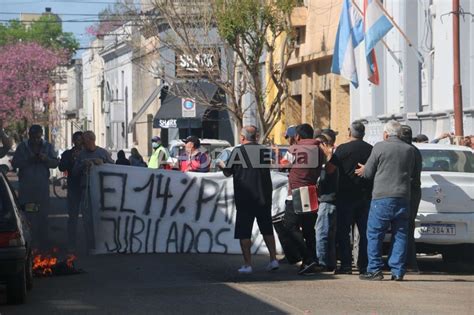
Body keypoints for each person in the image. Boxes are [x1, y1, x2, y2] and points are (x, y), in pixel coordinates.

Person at [356, 120, 416, 281]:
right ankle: (397, 271)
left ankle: (375, 269)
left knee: (375, 233)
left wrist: (364, 169)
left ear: (386, 134)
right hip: (403, 196)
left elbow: (368, 173)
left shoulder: (380, 147)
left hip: (382, 197)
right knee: (401, 234)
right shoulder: (409, 150)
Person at [220, 125, 278, 274]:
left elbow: (228, 172)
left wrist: (221, 165)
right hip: (263, 196)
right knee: (267, 228)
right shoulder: (264, 151)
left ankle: (248, 264)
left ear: (243, 137)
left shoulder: (237, 152)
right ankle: (273, 259)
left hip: (245, 197)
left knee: (244, 231)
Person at [326, 120, 372, 274]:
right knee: (365, 232)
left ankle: (346, 265)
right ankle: (363, 265)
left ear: (349, 132)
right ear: (363, 133)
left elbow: (330, 169)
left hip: (345, 195)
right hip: (366, 195)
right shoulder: (371, 149)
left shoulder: (343, 149)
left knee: (344, 232)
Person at [283, 123, 322, 275]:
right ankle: (312, 261)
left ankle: (307, 257)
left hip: (296, 193)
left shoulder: (295, 148)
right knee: (308, 230)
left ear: (298, 136)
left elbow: (283, 164)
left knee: (289, 226)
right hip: (311, 191)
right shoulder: (318, 149)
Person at [12, 125, 59, 248]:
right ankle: (30, 242)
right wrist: (29, 160)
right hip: (27, 188)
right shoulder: (22, 147)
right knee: (29, 215)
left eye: (38, 137)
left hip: (42, 187)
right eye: (33, 137)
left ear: (41, 135)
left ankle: (43, 242)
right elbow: (15, 163)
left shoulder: (48, 146)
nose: (36, 140)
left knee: (43, 215)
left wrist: (46, 159)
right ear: (29, 136)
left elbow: (55, 164)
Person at [72, 130, 114, 250]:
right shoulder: (81, 155)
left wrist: (103, 164)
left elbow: (113, 168)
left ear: (91, 140)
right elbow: (74, 172)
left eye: (84, 142)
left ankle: (103, 244)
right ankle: (91, 245)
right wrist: (83, 165)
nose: (82, 145)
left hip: (101, 192)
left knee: (102, 218)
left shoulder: (102, 153)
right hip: (86, 190)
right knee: (88, 219)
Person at [400, 125, 422, 272]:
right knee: (408, 227)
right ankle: (410, 262)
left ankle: (408, 262)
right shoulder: (415, 150)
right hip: (414, 192)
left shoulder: (406, 151)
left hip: (408, 192)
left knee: (404, 228)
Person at [315, 134, 338, 272]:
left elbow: (330, 171)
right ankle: (330, 262)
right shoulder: (323, 161)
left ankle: (322, 262)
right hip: (327, 200)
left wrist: (327, 155)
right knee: (328, 234)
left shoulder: (331, 160)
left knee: (322, 232)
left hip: (328, 201)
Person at [58, 131, 83, 250]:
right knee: (73, 217)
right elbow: (61, 166)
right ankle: (71, 242)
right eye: (77, 140)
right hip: (73, 187)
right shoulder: (67, 154)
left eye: (81, 139)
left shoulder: (88, 153)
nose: (80, 142)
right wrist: (72, 160)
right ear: (73, 141)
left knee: (89, 217)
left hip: (86, 188)